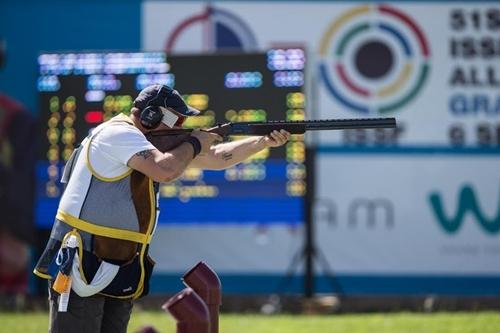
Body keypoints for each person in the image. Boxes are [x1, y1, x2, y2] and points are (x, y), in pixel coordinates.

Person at [34, 84, 291, 333]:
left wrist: (262, 142)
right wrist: (194, 143)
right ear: (150, 116)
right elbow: (165, 170)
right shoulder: (118, 134)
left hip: (119, 262)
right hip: (83, 259)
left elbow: (215, 158)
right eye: (176, 121)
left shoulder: (141, 142)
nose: (180, 129)